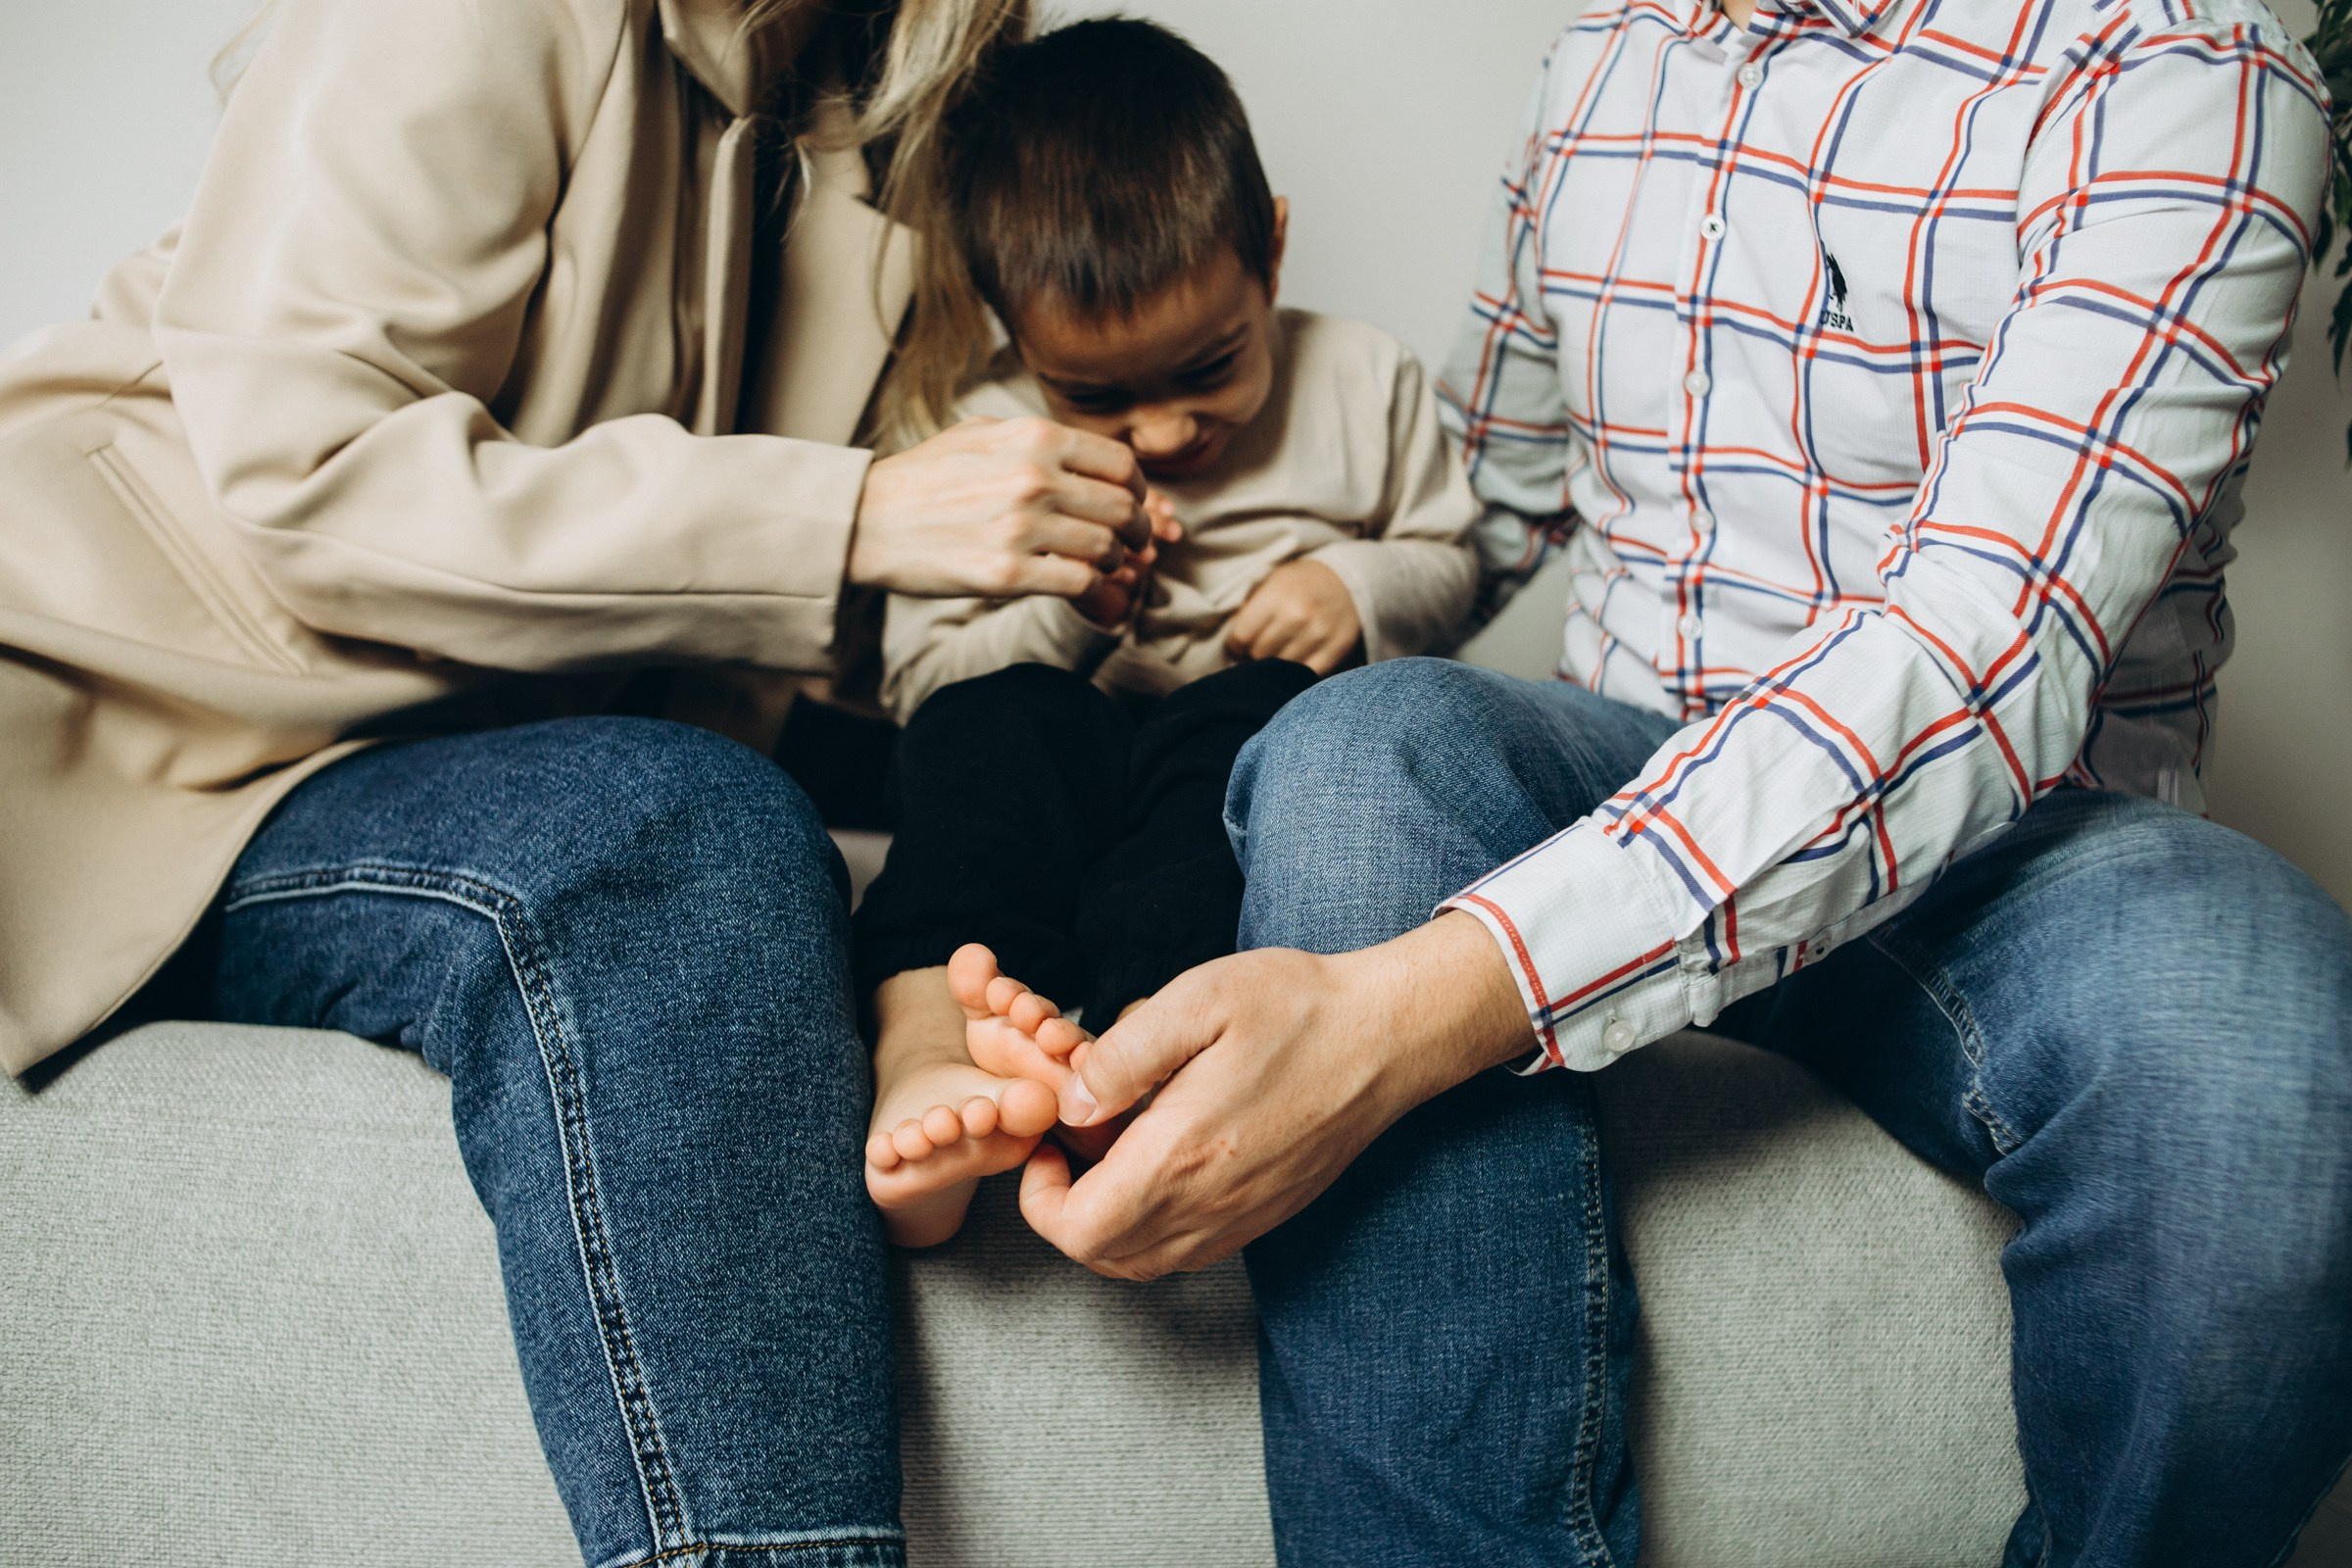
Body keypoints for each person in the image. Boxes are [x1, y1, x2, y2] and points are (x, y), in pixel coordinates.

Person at [963, 1, 2352, 1564]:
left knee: (2266, 1037)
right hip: (1615, 772)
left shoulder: (2184, 70)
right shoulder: (1603, 66)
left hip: (2024, 847)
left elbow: (1979, 651)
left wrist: (1414, 1007)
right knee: (1356, 755)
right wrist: (1319, 584)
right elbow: (1493, 490)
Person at [0, 0, 1173, 1564]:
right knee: (680, 839)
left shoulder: (876, 118)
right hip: (141, 732)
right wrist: (856, 515)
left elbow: (804, 611)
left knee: (1071, 754)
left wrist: (1045, 595)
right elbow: (303, 473)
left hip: (471, 744)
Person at [848, 19, 1482, 1248]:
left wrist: (1354, 585)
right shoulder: (971, 430)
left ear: (1273, 258)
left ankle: (1142, 1053)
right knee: (986, 732)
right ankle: (934, 1045)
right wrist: (1066, 616)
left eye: (1208, 367)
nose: (1163, 430)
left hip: (1231, 745)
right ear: (1011, 338)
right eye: (1095, 395)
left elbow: (1452, 556)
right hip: (1058, 738)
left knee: (1250, 728)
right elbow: (919, 681)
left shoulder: (1363, 381)